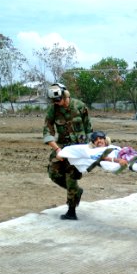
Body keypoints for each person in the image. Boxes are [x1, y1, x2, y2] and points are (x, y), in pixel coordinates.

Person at [43, 83, 93, 220]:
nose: (57, 103)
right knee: (53, 173)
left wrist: (90, 150)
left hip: (79, 148)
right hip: (63, 147)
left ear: (65, 94)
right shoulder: (53, 110)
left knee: (70, 178)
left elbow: (89, 130)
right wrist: (57, 150)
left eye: (58, 100)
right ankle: (76, 191)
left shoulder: (80, 106)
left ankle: (71, 211)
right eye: (54, 101)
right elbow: (47, 131)